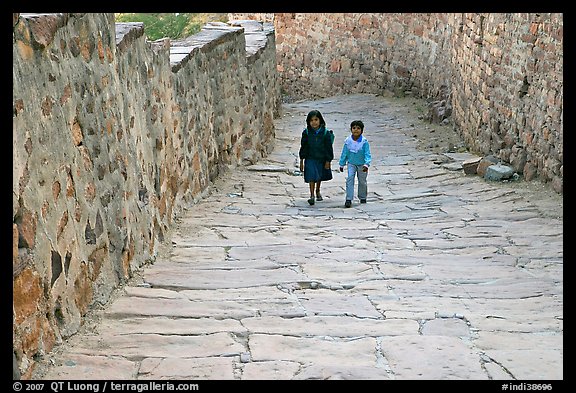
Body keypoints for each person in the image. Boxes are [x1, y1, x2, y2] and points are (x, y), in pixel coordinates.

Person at [299, 110, 334, 205]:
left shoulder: (325, 133)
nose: (314, 122)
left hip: (321, 158)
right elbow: (303, 147)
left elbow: (328, 148)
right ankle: (311, 195)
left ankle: (317, 190)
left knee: (318, 176)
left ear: (320, 120)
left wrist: (328, 160)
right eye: (311, 120)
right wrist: (301, 160)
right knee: (311, 176)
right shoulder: (306, 133)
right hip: (310, 158)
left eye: (316, 120)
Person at [339, 120, 372, 208]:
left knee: (362, 181)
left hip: (362, 165)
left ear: (362, 130)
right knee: (350, 178)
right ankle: (349, 199)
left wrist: (366, 164)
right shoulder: (348, 141)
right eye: (354, 128)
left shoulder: (364, 142)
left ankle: (362, 197)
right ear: (351, 129)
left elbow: (367, 154)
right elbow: (344, 153)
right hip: (351, 164)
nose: (356, 130)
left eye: (358, 128)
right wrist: (342, 164)